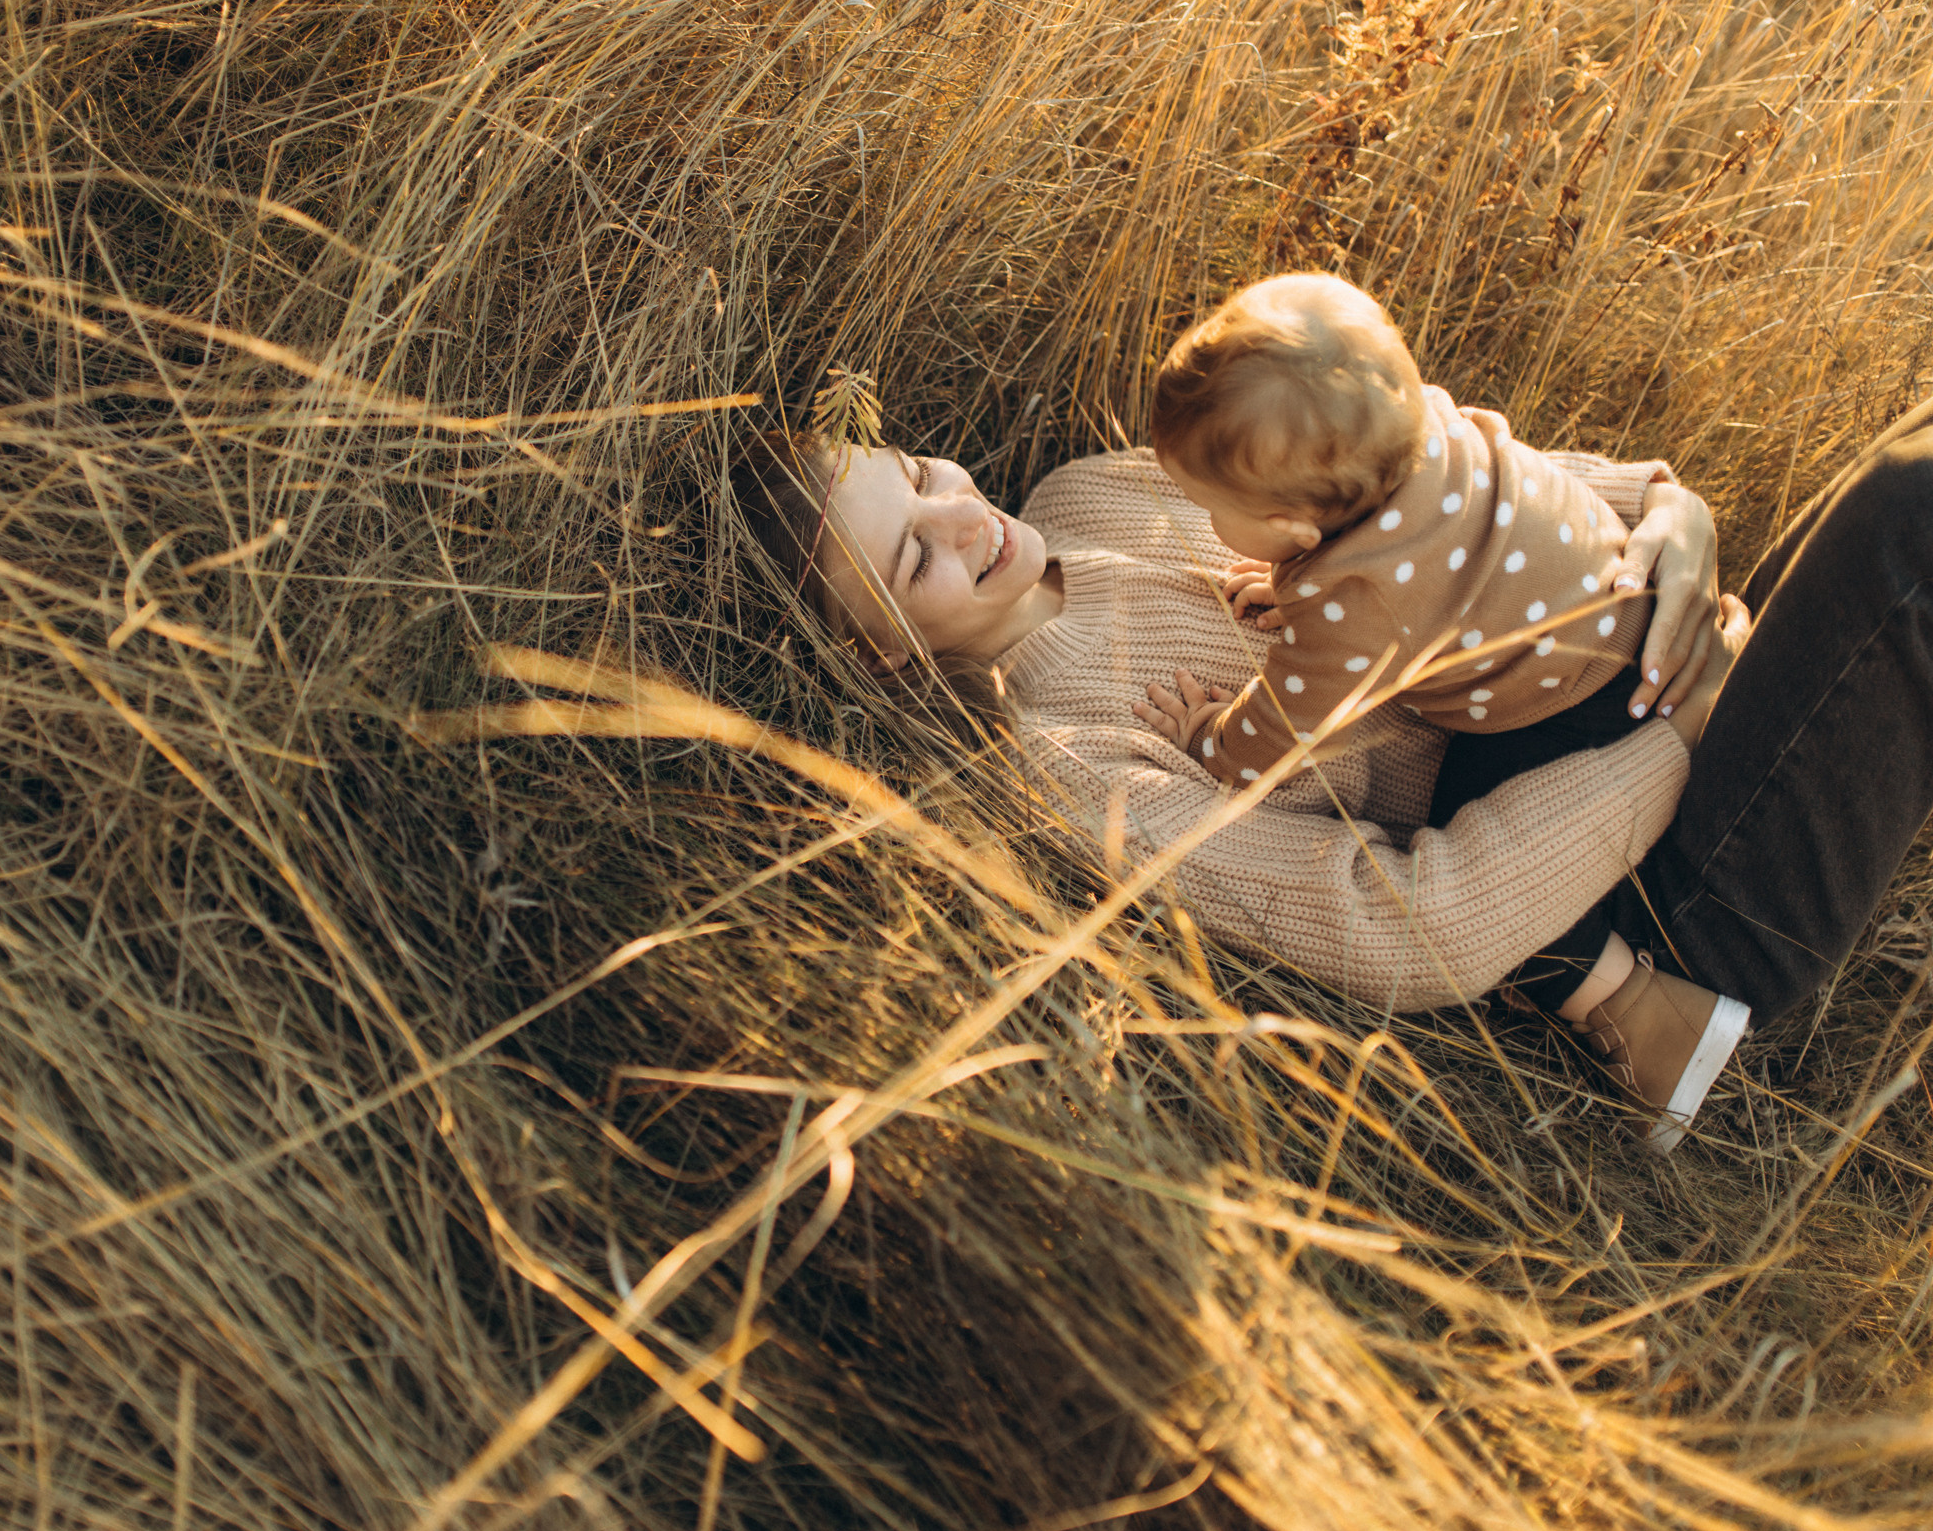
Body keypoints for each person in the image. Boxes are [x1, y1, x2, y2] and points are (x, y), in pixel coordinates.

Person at [729, 391, 1933, 1153]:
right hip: (1660, 901)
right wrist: (1679, 725)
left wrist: (1663, 513)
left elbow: (1414, 497)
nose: (962, 519)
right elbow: (1408, 931)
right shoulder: (1061, 761)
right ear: (878, 657)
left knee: (1915, 451)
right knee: (1912, 521)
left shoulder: (1085, 491)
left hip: (1625, 664)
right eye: (915, 559)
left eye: (923, 476)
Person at [1141, 275, 1658, 811]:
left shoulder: (1356, 605)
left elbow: (1285, 730)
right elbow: (1432, 562)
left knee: (1463, 804)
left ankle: (1648, 768)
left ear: (1296, 532)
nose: (1201, 516)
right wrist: (1290, 577)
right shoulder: (1422, 425)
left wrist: (1210, 740)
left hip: (1582, 695)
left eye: (1210, 507)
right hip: (1619, 577)